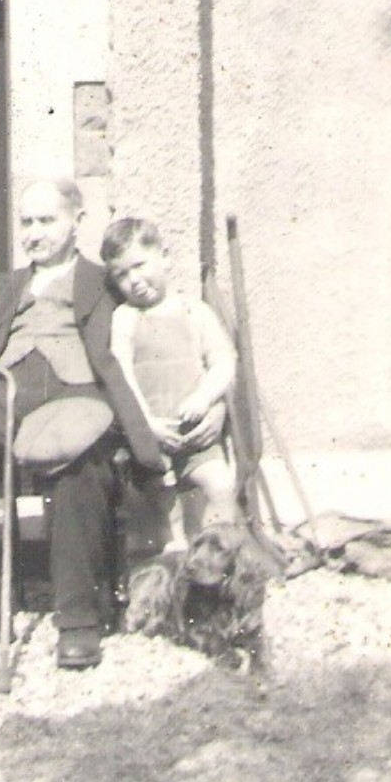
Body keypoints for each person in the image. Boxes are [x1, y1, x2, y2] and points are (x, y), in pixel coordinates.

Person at [0, 178, 192, 670]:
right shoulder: (0, 287)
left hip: (77, 392)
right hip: (2, 391)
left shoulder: (105, 282)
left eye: (46, 220)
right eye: (26, 222)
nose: (33, 232)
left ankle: (79, 617)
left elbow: (161, 327)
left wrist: (153, 418)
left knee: (80, 456)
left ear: (77, 222)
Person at [101, 216, 237, 544]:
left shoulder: (195, 311)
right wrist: (145, 423)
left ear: (165, 256)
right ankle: (172, 561)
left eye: (139, 265)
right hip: (153, 439)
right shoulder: (126, 319)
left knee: (221, 486)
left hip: (196, 435)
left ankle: (220, 558)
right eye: (121, 274)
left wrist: (205, 398)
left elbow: (224, 361)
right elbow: (122, 376)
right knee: (163, 506)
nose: (133, 280)